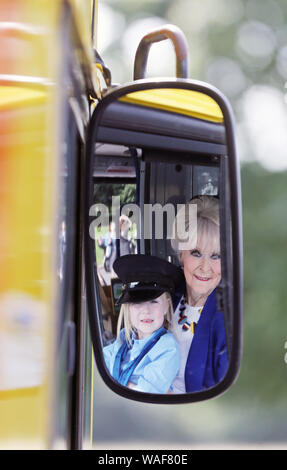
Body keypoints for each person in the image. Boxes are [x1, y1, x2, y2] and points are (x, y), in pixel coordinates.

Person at [170, 195, 228, 393]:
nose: (205, 267)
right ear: (180, 255)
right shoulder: (167, 297)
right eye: (196, 253)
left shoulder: (228, 318)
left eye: (216, 256)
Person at [103, 254, 185, 394]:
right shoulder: (124, 340)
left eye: (154, 302)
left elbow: (144, 393)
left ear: (167, 306)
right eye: (137, 302)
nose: (146, 311)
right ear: (128, 308)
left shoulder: (167, 348)